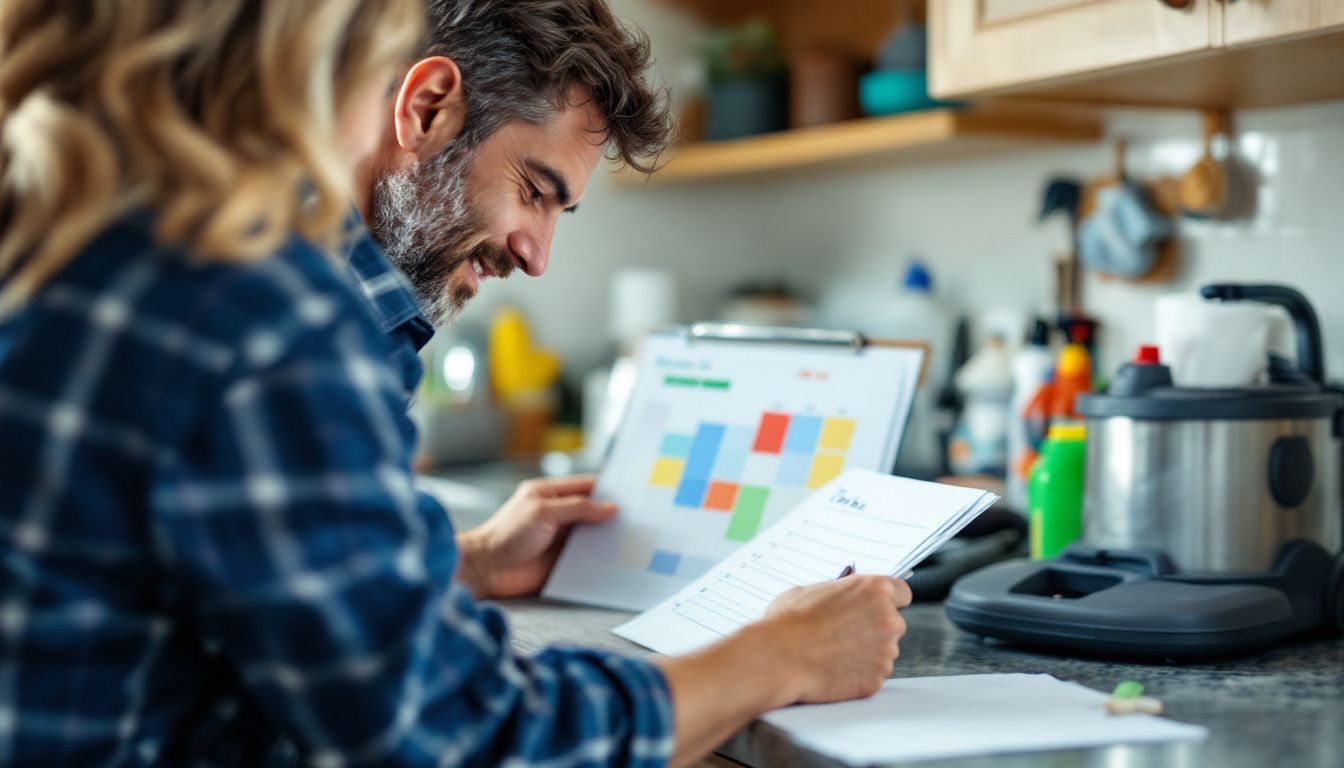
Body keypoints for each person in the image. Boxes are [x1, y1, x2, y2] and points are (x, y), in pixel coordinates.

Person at [0, 4, 911, 768]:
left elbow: (201, 593)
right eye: (534, 190)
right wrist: (776, 654)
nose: (538, 254)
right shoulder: (257, 309)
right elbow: (458, 735)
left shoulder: (81, 239)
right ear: (419, 102)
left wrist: (462, 563)